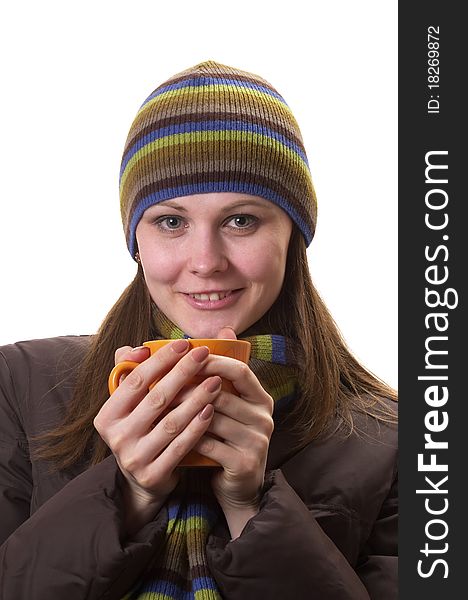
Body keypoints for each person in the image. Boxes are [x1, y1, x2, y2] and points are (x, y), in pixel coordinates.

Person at [0, 61, 397, 599]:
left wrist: (250, 507)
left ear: (294, 236)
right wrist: (127, 493)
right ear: (136, 240)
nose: (205, 261)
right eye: (171, 222)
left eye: (242, 220)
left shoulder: (398, 441)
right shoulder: (21, 386)